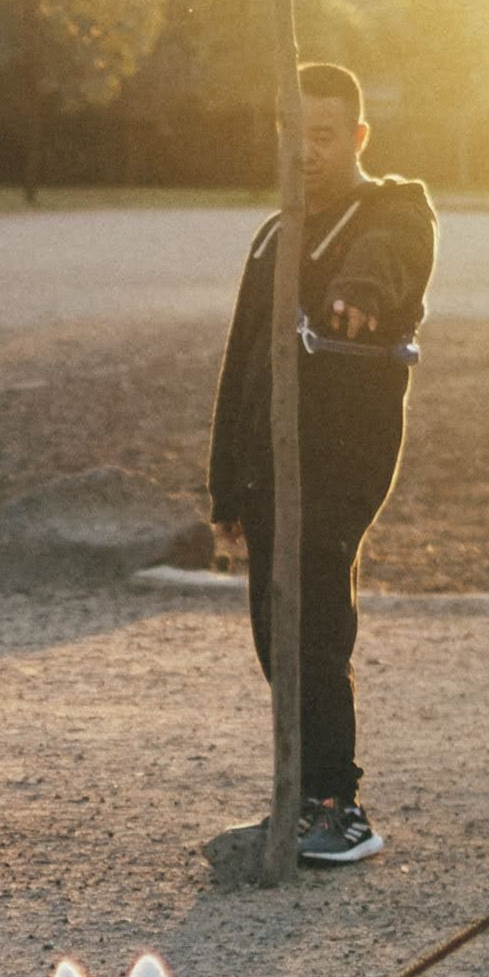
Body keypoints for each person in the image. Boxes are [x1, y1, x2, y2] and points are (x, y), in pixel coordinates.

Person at [207, 61, 436, 867]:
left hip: (342, 453)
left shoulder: (392, 208)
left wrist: (360, 295)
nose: (307, 151)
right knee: (275, 627)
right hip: (268, 460)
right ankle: (299, 795)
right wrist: (224, 487)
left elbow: (388, 255)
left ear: (359, 138)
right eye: (292, 134)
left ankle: (340, 808)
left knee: (313, 618)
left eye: (326, 137)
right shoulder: (275, 234)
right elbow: (242, 365)